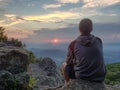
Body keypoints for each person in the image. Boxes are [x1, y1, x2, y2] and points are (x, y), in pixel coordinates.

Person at [62, 18, 106, 83]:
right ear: (91, 29)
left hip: (82, 77)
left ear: (79, 29)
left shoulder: (73, 44)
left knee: (65, 65)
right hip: (100, 77)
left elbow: (69, 62)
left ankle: (68, 86)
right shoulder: (98, 40)